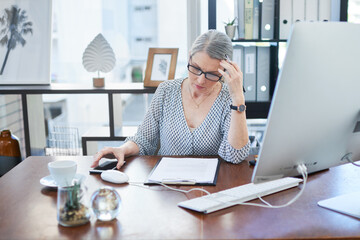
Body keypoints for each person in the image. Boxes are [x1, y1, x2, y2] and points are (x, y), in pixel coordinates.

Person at [92, 30, 250, 169]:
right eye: (196, 68)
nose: (201, 80)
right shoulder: (166, 91)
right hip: (167, 187)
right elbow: (144, 139)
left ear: (225, 71)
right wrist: (123, 149)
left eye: (212, 74)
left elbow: (234, 156)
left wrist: (237, 98)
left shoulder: (228, 99)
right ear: (189, 57)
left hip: (212, 188)